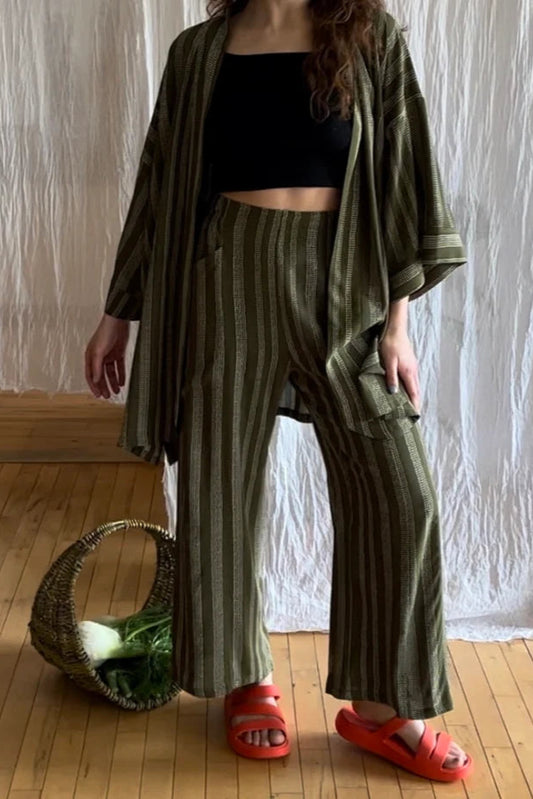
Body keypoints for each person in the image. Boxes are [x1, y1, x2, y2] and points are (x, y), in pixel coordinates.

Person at [85, 0, 473, 783]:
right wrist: (117, 313)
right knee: (221, 484)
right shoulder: (199, 51)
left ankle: (382, 706)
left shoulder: (369, 39)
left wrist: (396, 326)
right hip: (227, 276)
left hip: (342, 280)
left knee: (401, 494)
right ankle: (246, 675)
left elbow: (403, 175)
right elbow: (160, 184)